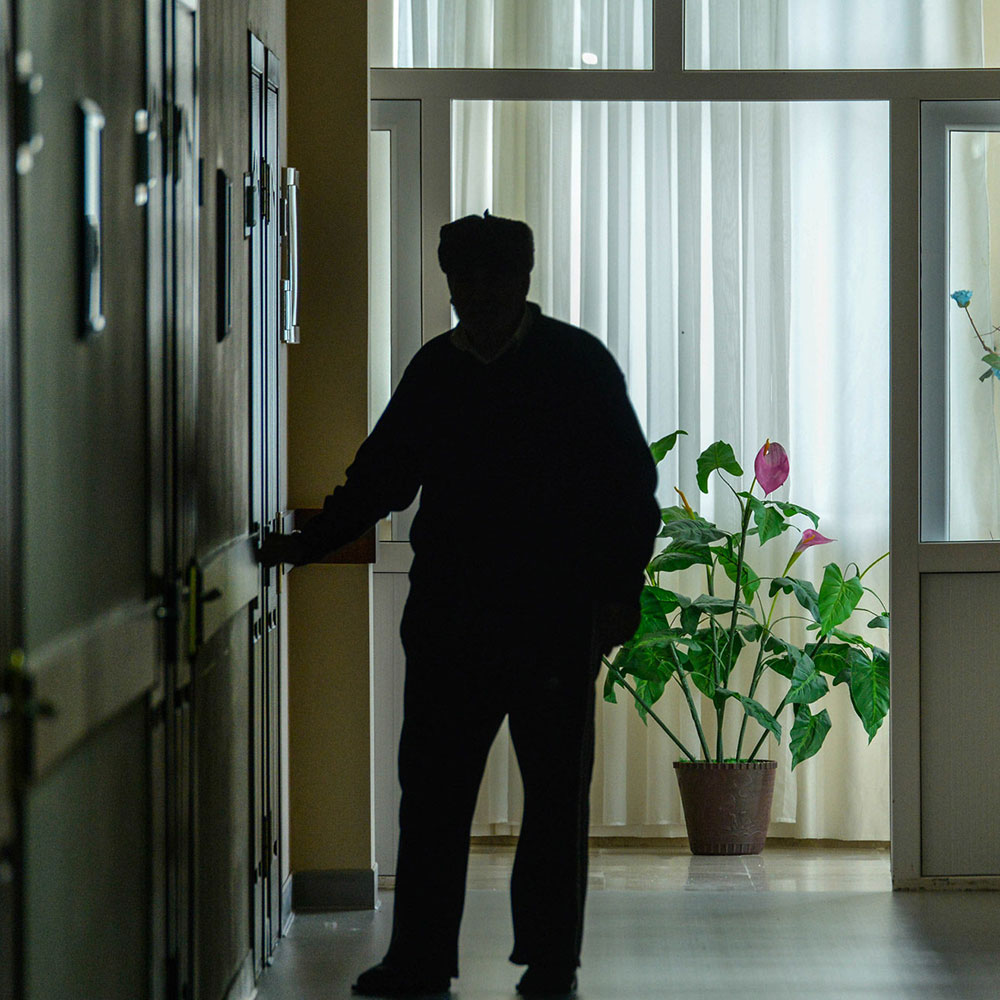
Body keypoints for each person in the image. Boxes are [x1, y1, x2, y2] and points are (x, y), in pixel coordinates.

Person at [258, 212, 660, 999]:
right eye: (462, 279)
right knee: (433, 796)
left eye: (492, 277)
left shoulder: (577, 365)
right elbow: (380, 478)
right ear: (447, 282)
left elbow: (631, 493)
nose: (476, 294)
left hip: (552, 620)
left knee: (552, 802)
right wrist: (305, 546)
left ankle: (550, 964)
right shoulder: (435, 372)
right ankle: (418, 960)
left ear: (523, 279)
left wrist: (621, 593)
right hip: (452, 621)